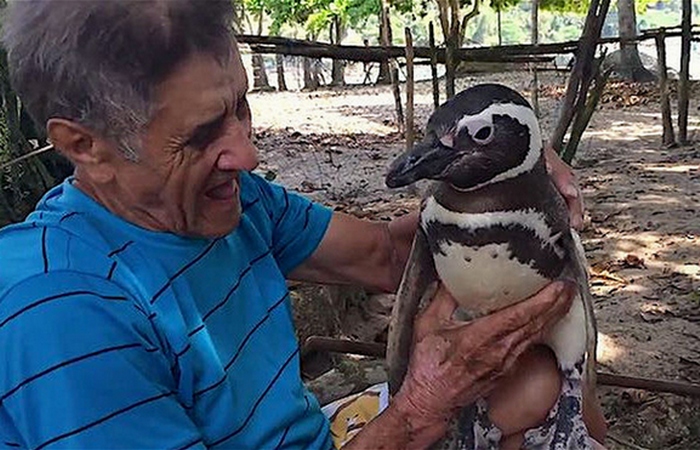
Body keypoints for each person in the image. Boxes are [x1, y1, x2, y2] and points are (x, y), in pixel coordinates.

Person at [0, 1, 602, 448]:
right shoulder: (64, 312)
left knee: (543, 389)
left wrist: (503, 178)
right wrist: (421, 405)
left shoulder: (231, 203)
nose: (247, 154)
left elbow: (386, 259)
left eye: (240, 105)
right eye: (203, 134)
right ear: (86, 146)